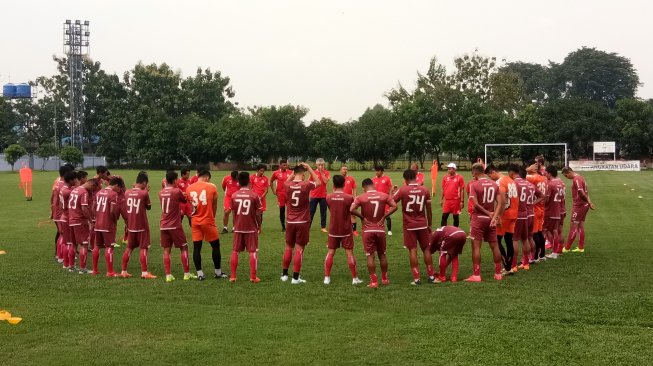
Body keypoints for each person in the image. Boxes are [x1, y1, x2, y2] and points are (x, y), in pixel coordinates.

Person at [350, 178, 397, 288]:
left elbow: (351, 209)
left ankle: (374, 281)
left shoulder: (361, 197)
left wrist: (362, 217)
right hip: (380, 229)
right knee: (382, 254)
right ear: (373, 185)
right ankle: (385, 279)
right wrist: (384, 216)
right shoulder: (383, 195)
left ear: (364, 187)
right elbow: (395, 206)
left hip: (368, 229)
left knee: (370, 256)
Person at [391, 169, 435, 285]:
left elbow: (391, 202)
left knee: (413, 250)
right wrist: (429, 224)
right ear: (416, 176)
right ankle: (431, 276)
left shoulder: (403, 190)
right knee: (426, 248)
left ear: (405, 179)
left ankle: (417, 278)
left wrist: (392, 192)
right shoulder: (425, 189)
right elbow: (429, 210)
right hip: (422, 223)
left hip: (409, 224)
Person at [281, 163, 321, 284]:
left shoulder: (287, 184)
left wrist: (293, 173)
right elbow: (318, 182)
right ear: (303, 175)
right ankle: (295, 278)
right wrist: (309, 168)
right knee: (299, 248)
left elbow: (286, 181)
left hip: (290, 221)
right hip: (302, 221)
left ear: (294, 174)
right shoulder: (306, 184)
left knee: (288, 247)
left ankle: (284, 275)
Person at [465, 163, 504, 282]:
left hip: (478, 219)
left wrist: (488, 213)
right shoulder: (494, 184)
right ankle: (498, 274)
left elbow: (475, 205)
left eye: (473, 173)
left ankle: (476, 275)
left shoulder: (474, 185)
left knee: (476, 247)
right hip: (491, 220)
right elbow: (500, 203)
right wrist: (494, 216)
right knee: (495, 246)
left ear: (475, 173)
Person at [187, 169, 227, 280]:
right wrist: (212, 216)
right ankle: (218, 272)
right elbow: (214, 205)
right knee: (215, 246)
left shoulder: (189, 188)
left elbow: (191, 204)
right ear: (207, 177)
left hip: (195, 221)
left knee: (197, 247)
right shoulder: (212, 187)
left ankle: (200, 274)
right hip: (208, 220)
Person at [323, 174, 361, 285]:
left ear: (333, 185)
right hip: (345, 229)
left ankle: (327, 278)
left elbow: (331, 208)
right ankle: (354, 279)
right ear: (344, 184)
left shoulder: (328, 197)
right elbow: (354, 209)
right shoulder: (349, 198)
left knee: (330, 253)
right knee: (350, 254)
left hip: (333, 229)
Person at [228, 172, 263, 283]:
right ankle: (253, 277)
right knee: (252, 252)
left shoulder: (234, 195)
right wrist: (259, 225)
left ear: (238, 182)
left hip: (238, 227)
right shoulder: (254, 195)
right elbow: (258, 213)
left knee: (235, 251)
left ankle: (233, 276)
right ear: (249, 181)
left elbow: (233, 212)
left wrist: (235, 225)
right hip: (251, 228)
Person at [120, 171, 157, 279]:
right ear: (144, 183)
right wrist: (146, 192)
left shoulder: (127, 192)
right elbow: (148, 207)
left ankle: (123, 271)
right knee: (144, 248)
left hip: (131, 225)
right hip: (141, 225)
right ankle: (144, 273)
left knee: (129, 248)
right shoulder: (144, 193)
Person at [159, 171, 194, 282]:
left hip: (163, 224)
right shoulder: (176, 191)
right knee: (184, 247)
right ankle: (186, 274)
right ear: (175, 180)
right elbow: (184, 200)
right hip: (174, 225)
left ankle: (168, 275)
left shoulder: (161, 192)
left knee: (166, 250)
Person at [486, 164, 519, 273]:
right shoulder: (510, 179)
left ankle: (506, 265)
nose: (490, 178)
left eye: (490, 176)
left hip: (505, 215)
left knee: (496, 240)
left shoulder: (499, 182)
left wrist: (498, 216)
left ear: (493, 172)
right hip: (514, 213)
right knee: (509, 240)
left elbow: (502, 201)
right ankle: (509, 266)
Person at [92, 176, 124, 277]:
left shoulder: (98, 192)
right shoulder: (113, 194)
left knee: (97, 246)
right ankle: (110, 272)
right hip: (107, 224)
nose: (119, 191)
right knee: (109, 246)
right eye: (120, 188)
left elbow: (93, 208)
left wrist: (97, 216)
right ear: (116, 186)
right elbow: (112, 211)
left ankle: (95, 270)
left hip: (98, 224)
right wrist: (114, 220)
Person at [562, 167, 595, 253]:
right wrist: (589, 203)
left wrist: (589, 202)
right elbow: (587, 192)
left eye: (566, 176)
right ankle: (581, 247)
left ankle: (566, 248)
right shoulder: (581, 177)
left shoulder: (576, 179)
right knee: (580, 226)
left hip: (579, 206)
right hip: (584, 205)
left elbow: (582, 192)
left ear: (569, 172)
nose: (567, 178)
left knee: (573, 227)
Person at [52, 164, 74, 264]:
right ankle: (60, 255)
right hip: (61, 213)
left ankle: (59, 254)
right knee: (63, 234)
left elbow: (52, 198)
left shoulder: (57, 183)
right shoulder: (62, 185)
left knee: (61, 233)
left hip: (58, 211)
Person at [526, 163, 547, 261]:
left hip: (535, 207)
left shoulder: (532, 178)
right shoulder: (544, 178)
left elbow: (520, 177)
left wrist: (527, 169)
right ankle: (542, 254)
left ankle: (535, 256)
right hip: (542, 207)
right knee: (539, 232)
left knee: (534, 234)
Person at [513, 168, 533, 271]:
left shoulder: (514, 183)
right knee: (526, 239)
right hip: (527, 213)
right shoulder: (528, 184)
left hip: (517, 214)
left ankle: (513, 265)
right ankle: (526, 263)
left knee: (515, 239)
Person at [543, 166, 565, 259]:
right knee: (555, 230)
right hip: (558, 209)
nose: (545, 174)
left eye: (546, 173)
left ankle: (553, 251)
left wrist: (541, 201)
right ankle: (556, 251)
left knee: (546, 230)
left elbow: (547, 200)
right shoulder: (560, 182)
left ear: (549, 173)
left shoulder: (550, 184)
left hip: (550, 211)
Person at [59, 171, 78, 271]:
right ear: (71, 180)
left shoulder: (63, 189)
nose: (76, 181)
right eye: (75, 179)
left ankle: (66, 264)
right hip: (68, 218)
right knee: (70, 243)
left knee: (67, 242)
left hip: (64, 216)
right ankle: (70, 265)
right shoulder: (69, 192)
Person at [270, 160, 292, 232]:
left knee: (290, 210)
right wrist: (273, 190)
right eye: (284, 165)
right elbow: (271, 181)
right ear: (280, 165)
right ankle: (283, 227)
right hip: (280, 195)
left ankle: (290, 225)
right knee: (282, 210)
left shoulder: (291, 172)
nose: (285, 166)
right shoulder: (276, 173)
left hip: (289, 194)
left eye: (286, 165)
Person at [440, 163, 465, 227]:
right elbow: (443, 189)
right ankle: (443, 231)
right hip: (447, 201)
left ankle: (455, 232)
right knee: (444, 216)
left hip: (456, 200)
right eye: (448, 169)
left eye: (450, 169)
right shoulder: (445, 178)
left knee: (455, 217)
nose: (448, 170)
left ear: (454, 169)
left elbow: (462, 190)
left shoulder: (460, 177)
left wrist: (462, 201)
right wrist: (441, 199)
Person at [309, 158, 330, 232]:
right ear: (316, 165)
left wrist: (321, 173)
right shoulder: (313, 173)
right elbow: (310, 183)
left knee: (323, 212)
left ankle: (323, 227)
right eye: (319, 165)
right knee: (311, 211)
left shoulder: (326, 172)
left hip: (323, 195)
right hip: (314, 195)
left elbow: (326, 181)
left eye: (322, 165)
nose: (321, 166)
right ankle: (308, 226)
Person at [372, 166, 394, 236]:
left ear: (381, 171)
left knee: (387, 215)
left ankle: (389, 230)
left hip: (385, 200)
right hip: (376, 201)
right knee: (376, 215)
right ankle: (378, 228)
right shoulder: (373, 179)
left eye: (378, 171)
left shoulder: (387, 178)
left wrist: (390, 198)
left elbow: (391, 189)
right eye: (376, 171)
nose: (376, 172)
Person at [340, 165, 358, 236]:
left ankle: (354, 230)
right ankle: (342, 229)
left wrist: (355, 198)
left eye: (346, 169)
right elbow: (334, 189)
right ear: (340, 170)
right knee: (341, 215)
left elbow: (354, 188)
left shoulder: (351, 179)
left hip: (350, 200)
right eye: (344, 169)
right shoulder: (338, 179)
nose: (345, 170)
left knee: (353, 215)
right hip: (341, 200)